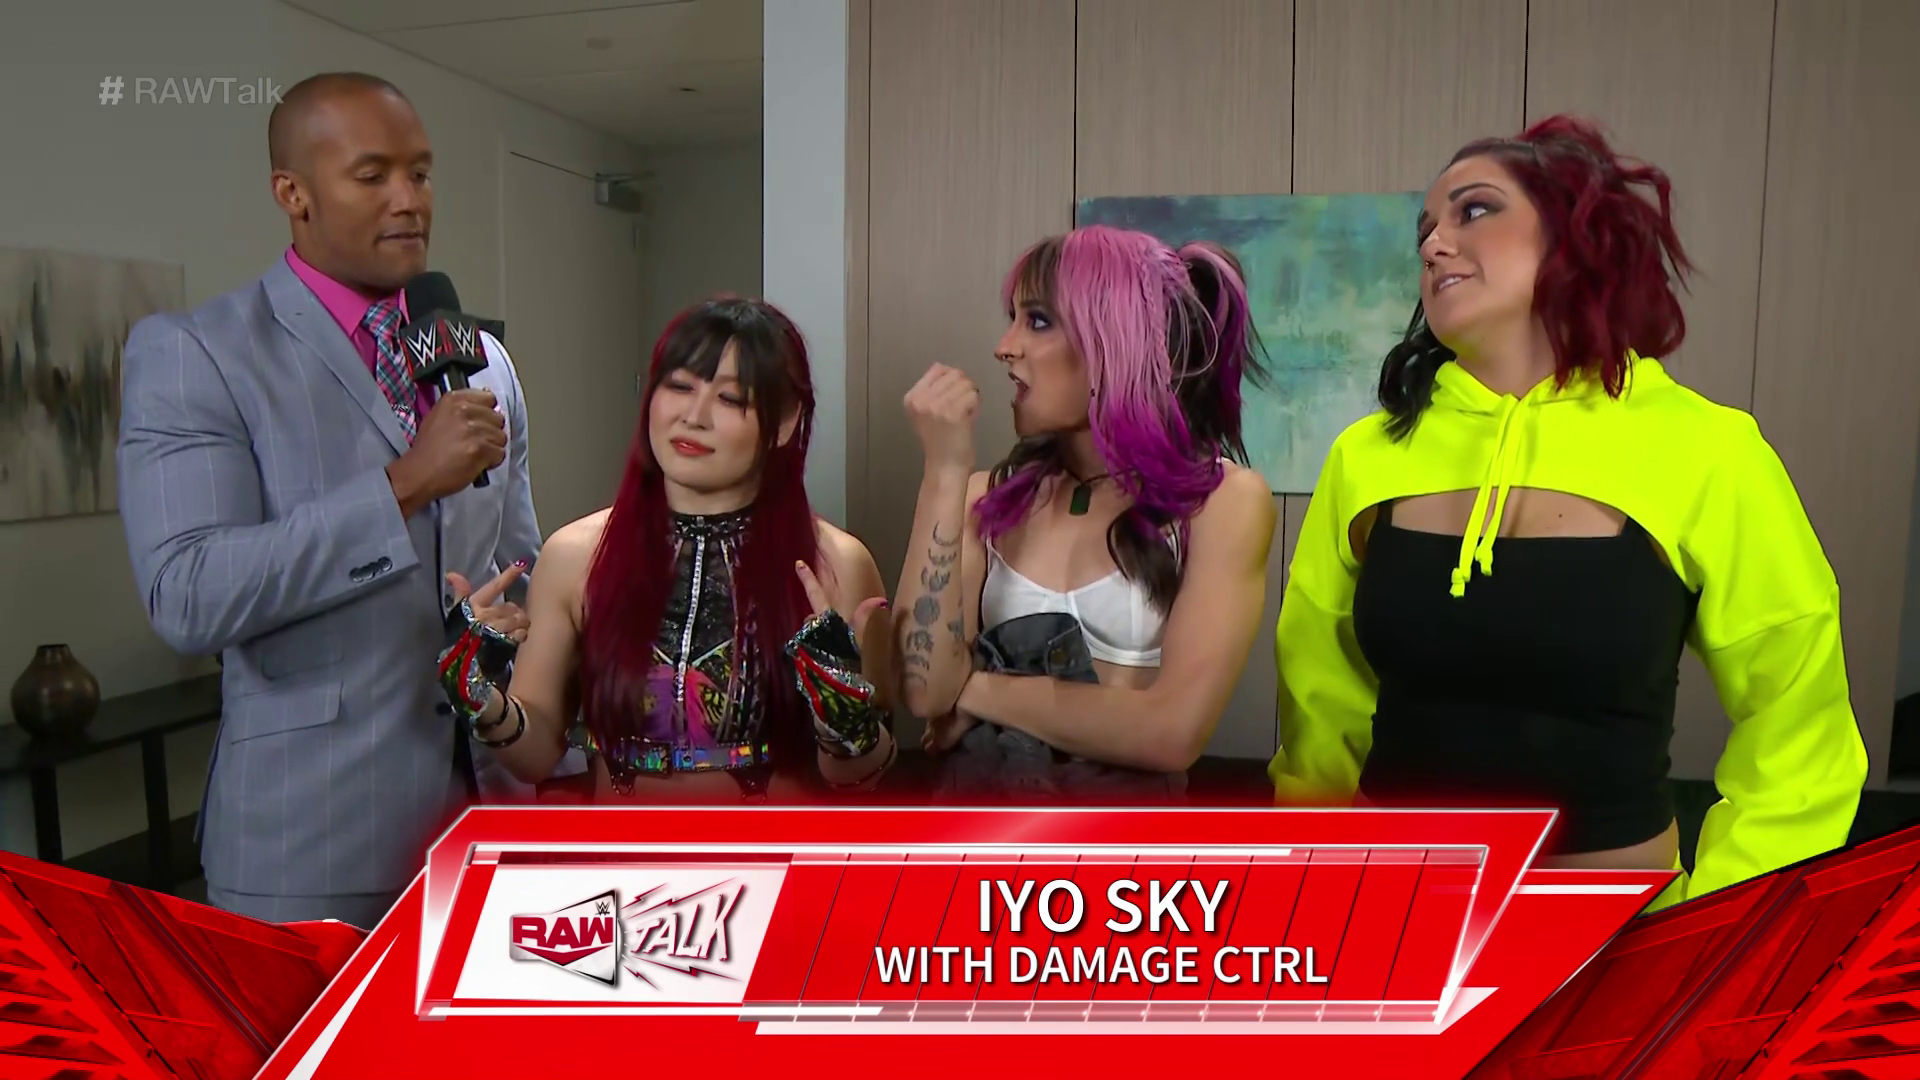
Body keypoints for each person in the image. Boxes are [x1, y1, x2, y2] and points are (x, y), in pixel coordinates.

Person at [1269, 114, 1867, 909]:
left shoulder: (1710, 452)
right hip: (1391, 917)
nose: (1434, 244)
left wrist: (1711, 933)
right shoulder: (1367, 454)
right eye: (1426, 229)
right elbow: (1319, 703)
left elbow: (1799, 733)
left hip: (1613, 935)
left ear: (1576, 234)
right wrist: (1312, 885)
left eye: (1473, 210)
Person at [116, 72, 543, 929]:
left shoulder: (483, 365)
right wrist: (403, 484)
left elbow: (522, 566)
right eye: (373, 174)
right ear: (293, 193)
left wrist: (516, 624)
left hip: (490, 830)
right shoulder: (198, 354)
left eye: (420, 173)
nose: (409, 199)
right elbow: (188, 594)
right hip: (310, 847)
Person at [437, 295, 898, 801]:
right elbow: (535, 754)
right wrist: (480, 699)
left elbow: (866, 777)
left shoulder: (837, 565)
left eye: (730, 399)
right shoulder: (574, 556)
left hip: (781, 848)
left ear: (786, 423)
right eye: (679, 387)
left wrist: (845, 725)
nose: (693, 417)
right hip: (621, 851)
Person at [895, 224, 1277, 803]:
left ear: (1113, 341)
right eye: (1013, 318)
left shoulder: (1224, 501)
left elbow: (1171, 732)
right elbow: (923, 690)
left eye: (1037, 321)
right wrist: (943, 473)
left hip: (1125, 842)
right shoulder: (981, 496)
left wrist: (976, 688)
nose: (1005, 346)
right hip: (981, 828)